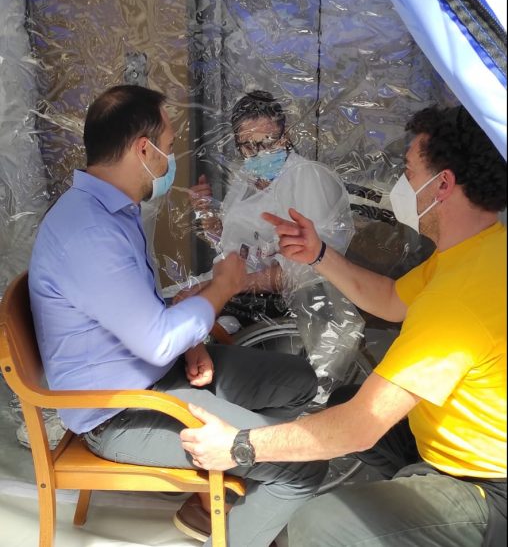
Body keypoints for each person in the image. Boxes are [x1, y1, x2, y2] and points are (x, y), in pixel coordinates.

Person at [180, 104, 507, 546]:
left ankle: (431, 519)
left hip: (487, 486)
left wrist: (238, 445)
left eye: (409, 173)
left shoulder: (457, 299)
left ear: (443, 185)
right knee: (344, 398)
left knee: (319, 523)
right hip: (450, 445)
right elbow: (391, 299)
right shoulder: (478, 250)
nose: (402, 185)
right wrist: (318, 254)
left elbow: (359, 426)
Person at [28, 84, 328, 547]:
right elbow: (155, 340)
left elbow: (137, 317)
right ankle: (237, 515)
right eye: (168, 147)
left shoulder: (113, 211)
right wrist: (224, 286)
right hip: (121, 412)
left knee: (300, 381)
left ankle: (228, 506)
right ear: (142, 150)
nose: (171, 159)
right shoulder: (90, 231)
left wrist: (189, 342)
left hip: (157, 376)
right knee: (303, 462)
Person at [185, 90, 363, 399]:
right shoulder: (245, 180)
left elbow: (308, 268)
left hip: (294, 304)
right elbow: (232, 246)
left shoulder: (307, 177)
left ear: (286, 134)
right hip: (246, 295)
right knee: (179, 302)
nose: (258, 153)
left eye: (267, 142)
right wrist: (206, 215)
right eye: (248, 146)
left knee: (194, 318)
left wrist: (228, 286)